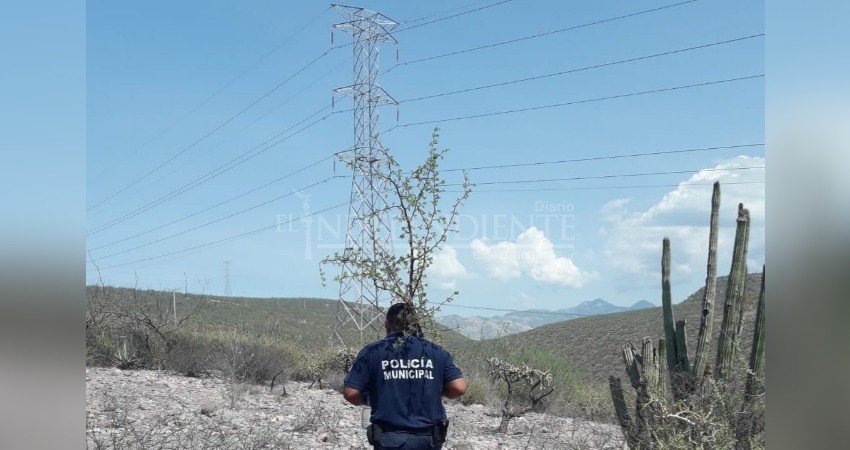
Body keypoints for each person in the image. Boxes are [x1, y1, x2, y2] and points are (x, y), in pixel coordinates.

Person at [342, 302, 467, 449]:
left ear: (388, 324)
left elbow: (350, 393)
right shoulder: (435, 351)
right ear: (415, 324)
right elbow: (459, 387)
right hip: (429, 439)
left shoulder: (372, 352)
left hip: (389, 438)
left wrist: (370, 399)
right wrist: (438, 391)